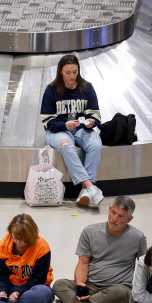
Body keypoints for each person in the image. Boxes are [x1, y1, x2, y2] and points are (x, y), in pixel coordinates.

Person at [51, 195, 146, 303]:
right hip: (90, 284)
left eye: (120, 216)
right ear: (109, 209)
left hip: (117, 288)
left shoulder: (138, 238)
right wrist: (80, 286)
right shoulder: (90, 231)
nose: (114, 219)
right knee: (59, 285)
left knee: (121, 294)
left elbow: (145, 267)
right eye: (113, 212)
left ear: (129, 219)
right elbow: (83, 263)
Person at [40, 54, 103, 207]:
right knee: (66, 145)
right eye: (68, 72)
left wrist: (90, 122)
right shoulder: (51, 90)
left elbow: (95, 114)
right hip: (58, 130)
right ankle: (90, 186)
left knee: (96, 144)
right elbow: (47, 121)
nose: (72, 76)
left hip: (81, 129)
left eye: (75, 72)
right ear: (60, 71)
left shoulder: (87, 87)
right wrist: (65, 126)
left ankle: (85, 191)